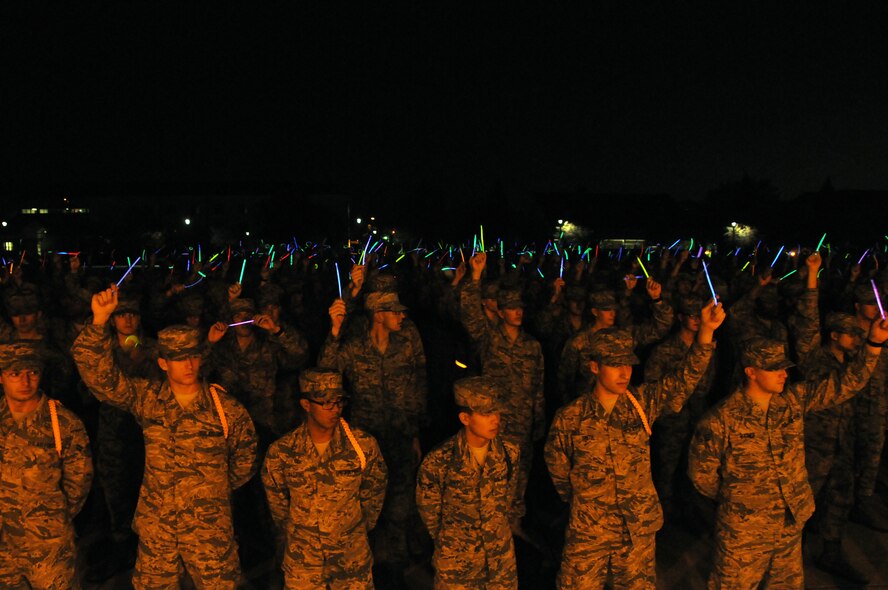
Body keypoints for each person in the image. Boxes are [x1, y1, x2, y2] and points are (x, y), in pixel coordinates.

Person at [72, 284, 259, 590]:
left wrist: (209, 491)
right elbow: (102, 380)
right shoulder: (149, 399)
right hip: (159, 531)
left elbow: (245, 460)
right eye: (178, 358)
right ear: (162, 363)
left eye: (192, 356)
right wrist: (99, 321)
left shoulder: (226, 409)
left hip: (209, 532)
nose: (187, 365)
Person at [688, 318, 888, 589]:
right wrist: (741, 500)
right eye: (774, 369)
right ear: (751, 372)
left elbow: (845, 384)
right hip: (745, 532)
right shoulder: (719, 420)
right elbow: (702, 477)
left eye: (784, 367)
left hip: (789, 523)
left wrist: (874, 343)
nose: (783, 373)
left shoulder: (792, 402)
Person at [545, 300, 723, 589]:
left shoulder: (642, 402)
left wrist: (705, 333)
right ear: (594, 367)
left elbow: (683, 380)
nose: (624, 372)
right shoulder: (570, 418)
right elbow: (559, 470)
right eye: (614, 365)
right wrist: (588, 501)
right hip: (590, 531)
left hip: (636, 528)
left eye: (627, 364)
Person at [320, 289, 427, 581]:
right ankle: (367, 563)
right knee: (366, 503)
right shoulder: (355, 347)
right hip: (365, 438)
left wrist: (415, 434)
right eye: (395, 312)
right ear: (379, 315)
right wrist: (335, 332)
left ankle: (396, 564)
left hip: (400, 435)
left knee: (401, 501)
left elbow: (414, 392)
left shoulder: (404, 346)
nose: (402, 317)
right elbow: (327, 373)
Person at [262, 368, 387, 589]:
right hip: (304, 560)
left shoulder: (362, 446)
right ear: (306, 404)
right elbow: (278, 505)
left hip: (350, 557)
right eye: (326, 403)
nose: (335, 409)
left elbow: (374, 493)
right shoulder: (282, 451)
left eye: (339, 401)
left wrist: (350, 528)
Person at [459, 251, 544, 535]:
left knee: (519, 477)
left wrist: (538, 420)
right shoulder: (489, 339)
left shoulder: (532, 346)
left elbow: (538, 386)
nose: (518, 312)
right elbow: (470, 313)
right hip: (493, 424)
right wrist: (474, 276)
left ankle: (514, 525)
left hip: (521, 424)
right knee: (489, 475)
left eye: (520, 308)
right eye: (511, 308)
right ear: (500, 311)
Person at [0, 341, 93, 589]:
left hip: (48, 545)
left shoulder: (62, 423)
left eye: (32, 373)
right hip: (4, 546)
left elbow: (79, 481)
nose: (25, 381)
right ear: (2, 377)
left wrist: (51, 516)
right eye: (15, 374)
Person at [416, 376, 520, 589]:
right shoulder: (440, 460)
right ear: (465, 417)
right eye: (486, 413)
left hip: (500, 563)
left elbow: (509, 497)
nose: (495, 420)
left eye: (497, 412)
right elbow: (429, 511)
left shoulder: (510, 453)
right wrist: (453, 543)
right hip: (457, 565)